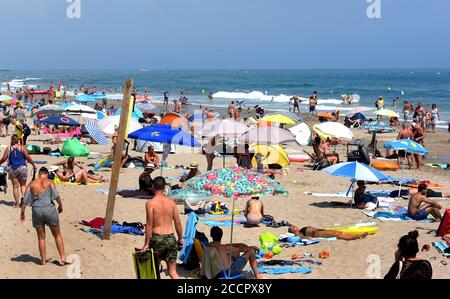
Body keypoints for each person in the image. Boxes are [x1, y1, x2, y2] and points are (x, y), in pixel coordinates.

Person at [20, 167, 68, 266]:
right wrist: (60, 205)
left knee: (41, 237)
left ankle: (43, 261)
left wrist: (22, 212)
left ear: (39, 174)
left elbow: (25, 200)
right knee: (57, 235)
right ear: (45, 174)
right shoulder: (50, 181)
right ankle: (63, 257)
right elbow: (56, 195)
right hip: (49, 209)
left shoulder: (31, 184)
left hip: (37, 210)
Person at [137, 177, 183, 279]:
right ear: (164, 187)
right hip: (171, 238)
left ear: (153, 186)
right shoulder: (171, 202)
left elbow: (149, 225)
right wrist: (180, 239)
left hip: (157, 239)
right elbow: (177, 222)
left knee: (154, 271)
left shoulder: (150, 203)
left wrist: (146, 244)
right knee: (173, 272)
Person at [0, 134, 37, 207]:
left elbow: (4, 158)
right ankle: (24, 201)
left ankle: (17, 204)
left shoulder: (9, 148)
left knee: (15, 187)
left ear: (12, 140)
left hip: (12, 168)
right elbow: (28, 157)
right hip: (22, 168)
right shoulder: (22, 148)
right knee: (23, 185)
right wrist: (33, 164)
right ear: (18, 140)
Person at [288, 225, 368, 241]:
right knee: (338, 234)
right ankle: (356, 237)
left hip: (319, 231)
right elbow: (305, 238)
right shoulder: (298, 234)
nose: (295, 226)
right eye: (293, 227)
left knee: (338, 232)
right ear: (293, 230)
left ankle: (355, 236)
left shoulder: (300, 231)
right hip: (317, 234)